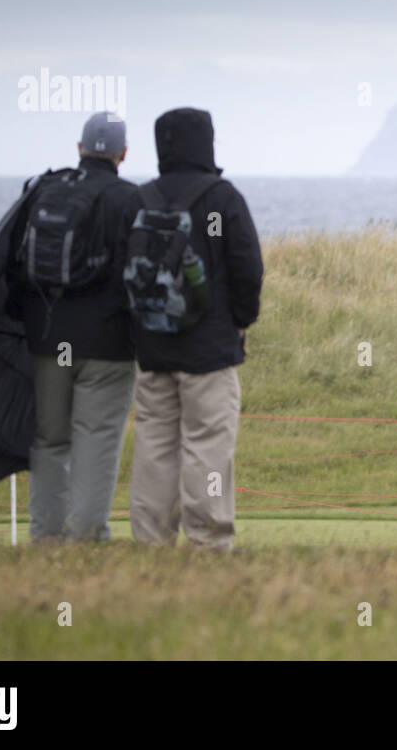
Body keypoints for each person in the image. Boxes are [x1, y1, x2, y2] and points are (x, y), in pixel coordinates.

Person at [125, 107, 264, 551]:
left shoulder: (140, 199)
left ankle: (151, 545)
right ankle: (207, 544)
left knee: (154, 448)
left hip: (151, 347)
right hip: (209, 352)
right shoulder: (222, 198)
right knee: (207, 447)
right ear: (206, 143)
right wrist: (241, 321)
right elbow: (248, 268)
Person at [6, 112, 138, 542]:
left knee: (49, 441)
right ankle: (86, 541)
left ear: (79, 149)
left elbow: (9, 262)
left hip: (47, 341)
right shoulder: (131, 199)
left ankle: (45, 540)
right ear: (123, 153)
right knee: (96, 441)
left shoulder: (45, 189)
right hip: (109, 346)